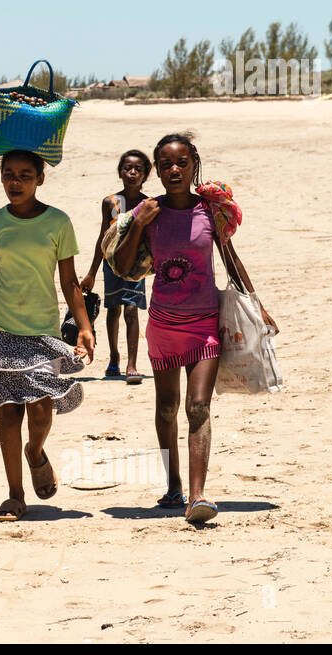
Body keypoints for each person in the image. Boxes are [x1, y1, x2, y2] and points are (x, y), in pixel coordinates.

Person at [112, 133, 277, 524]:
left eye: (181, 163)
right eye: (166, 164)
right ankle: (173, 485)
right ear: (157, 168)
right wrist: (139, 225)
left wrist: (258, 305)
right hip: (164, 325)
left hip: (204, 324)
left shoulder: (210, 211)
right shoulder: (147, 211)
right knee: (167, 407)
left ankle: (198, 496)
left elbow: (230, 258)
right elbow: (122, 264)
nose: (174, 170)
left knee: (198, 406)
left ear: (193, 164)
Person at [0, 150, 94, 521]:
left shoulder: (58, 223)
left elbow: (69, 281)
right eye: (8, 175)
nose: (15, 182)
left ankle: (35, 452)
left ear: (40, 179)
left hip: (42, 332)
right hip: (2, 330)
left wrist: (84, 327)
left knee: (40, 411)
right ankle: (15, 495)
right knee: (8, 413)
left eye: (24, 175)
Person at [82, 150, 150, 384]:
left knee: (131, 309)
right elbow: (104, 238)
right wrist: (91, 272)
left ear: (146, 174)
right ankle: (114, 357)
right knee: (114, 309)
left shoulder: (148, 204)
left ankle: (132, 364)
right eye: (127, 168)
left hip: (136, 266)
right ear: (120, 172)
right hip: (111, 264)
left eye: (138, 169)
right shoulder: (111, 202)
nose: (132, 173)